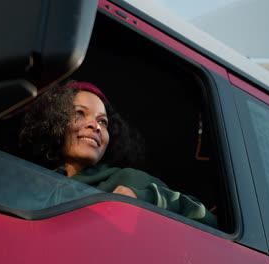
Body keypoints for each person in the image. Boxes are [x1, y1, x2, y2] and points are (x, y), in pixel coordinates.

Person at [19, 80, 217, 228]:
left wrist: (145, 198)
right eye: (80, 113)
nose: (95, 126)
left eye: (103, 122)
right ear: (54, 122)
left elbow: (206, 220)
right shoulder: (32, 185)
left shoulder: (128, 179)